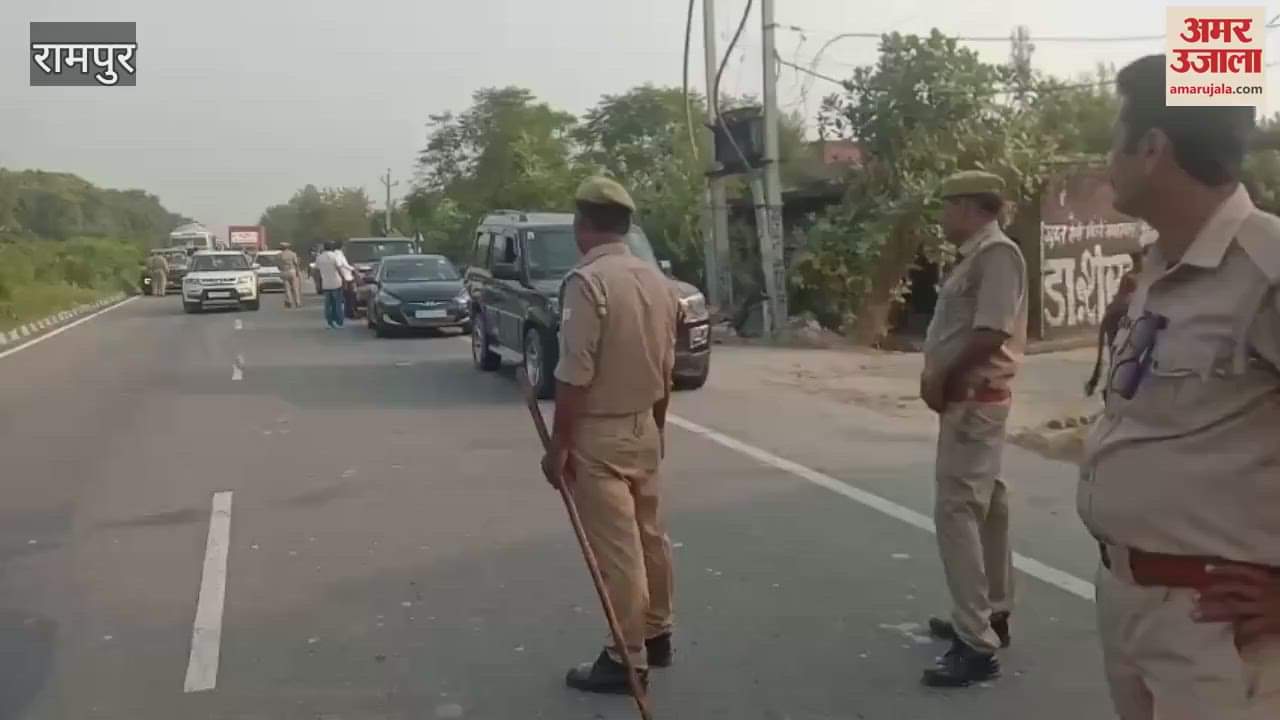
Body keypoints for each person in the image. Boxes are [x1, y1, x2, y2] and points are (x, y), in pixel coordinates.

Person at [1079, 54, 1280, 720]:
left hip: (1218, 628)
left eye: (1115, 140)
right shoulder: (1159, 267)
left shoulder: (1267, 270)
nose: (1107, 159)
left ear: (1153, 149)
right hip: (1131, 602)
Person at [541, 177, 681, 695]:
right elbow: (668, 367)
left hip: (599, 434)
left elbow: (574, 372)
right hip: (645, 423)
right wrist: (658, 428)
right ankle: (658, 630)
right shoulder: (657, 281)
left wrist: (558, 448)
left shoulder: (588, 282)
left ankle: (626, 656)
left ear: (583, 226)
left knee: (618, 551)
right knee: (650, 537)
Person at [918, 169, 1028, 688]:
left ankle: (975, 643)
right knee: (988, 506)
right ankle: (992, 613)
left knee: (957, 510)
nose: (942, 218)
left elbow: (991, 331)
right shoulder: (976, 259)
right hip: (970, 403)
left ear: (969, 207)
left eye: (946, 207)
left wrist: (941, 374)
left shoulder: (997, 255)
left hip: (974, 400)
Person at [1085, 235, 1152, 398]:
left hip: (1122, 317)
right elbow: (1129, 302)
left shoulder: (1138, 278)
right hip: (1122, 319)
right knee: (1122, 356)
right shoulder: (1136, 279)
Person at [314, 241, 352, 328]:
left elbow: (316, 271)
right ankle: (339, 321)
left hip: (326, 284)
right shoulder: (335, 256)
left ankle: (330, 322)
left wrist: (317, 283)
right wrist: (344, 280)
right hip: (336, 283)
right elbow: (339, 269)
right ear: (332, 248)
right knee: (337, 303)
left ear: (324, 248)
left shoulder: (319, 258)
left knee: (328, 304)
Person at [278, 242, 303, 309]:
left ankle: (289, 302)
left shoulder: (280, 255)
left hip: (284, 271)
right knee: (295, 288)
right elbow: (296, 264)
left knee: (287, 288)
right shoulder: (293, 254)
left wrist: (281, 269)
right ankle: (298, 302)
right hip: (292, 271)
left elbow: (278, 265)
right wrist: (297, 272)